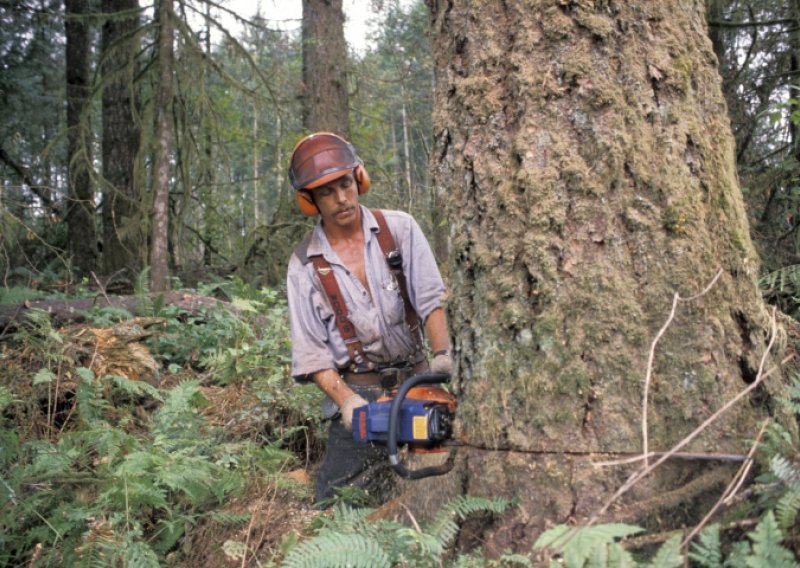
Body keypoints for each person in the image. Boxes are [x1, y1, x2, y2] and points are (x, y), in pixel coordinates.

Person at [285, 132, 452, 506]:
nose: (341, 198)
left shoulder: (400, 230)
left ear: (359, 178)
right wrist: (346, 401)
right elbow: (312, 355)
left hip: (417, 379)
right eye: (327, 192)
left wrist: (441, 358)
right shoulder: (304, 266)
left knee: (440, 483)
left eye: (345, 184)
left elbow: (430, 301)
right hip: (361, 394)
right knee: (337, 505)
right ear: (309, 200)